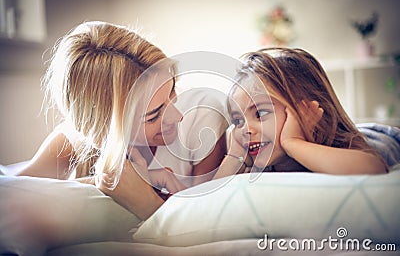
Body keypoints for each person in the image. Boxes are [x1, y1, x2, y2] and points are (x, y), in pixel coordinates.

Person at [16, 21, 228, 219]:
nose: (177, 116)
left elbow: (204, 222)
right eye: (153, 115)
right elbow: (11, 194)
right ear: (106, 129)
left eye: (172, 90)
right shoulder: (75, 143)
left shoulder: (202, 119)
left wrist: (146, 202)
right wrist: (100, 182)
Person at [214, 47, 387, 179]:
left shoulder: (344, 146)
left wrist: (292, 142)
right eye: (238, 121)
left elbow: (373, 169)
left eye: (260, 114)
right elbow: (210, 199)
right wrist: (235, 156)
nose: (246, 129)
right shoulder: (255, 163)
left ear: (308, 112)